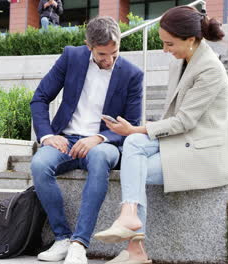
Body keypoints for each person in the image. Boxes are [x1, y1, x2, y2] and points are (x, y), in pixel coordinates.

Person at [93, 6, 228, 263]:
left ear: (190, 40)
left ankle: (134, 244)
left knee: (136, 164)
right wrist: (135, 132)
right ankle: (130, 222)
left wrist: (135, 128)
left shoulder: (211, 70)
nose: (164, 49)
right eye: (162, 42)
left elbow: (184, 121)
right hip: (182, 143)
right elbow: (173, 121)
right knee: (134, 144)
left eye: (169, 43)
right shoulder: (180, 63)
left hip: (204, 152)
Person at [30, 16, 143, 264]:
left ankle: (79, 243)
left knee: (100, 156)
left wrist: (99, 138)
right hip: (66, 139)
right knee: (39, 164)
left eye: (114, 53)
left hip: (106, 143)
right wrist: (48, 136)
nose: (109, 60)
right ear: (88, 44)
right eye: (103, 54)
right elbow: (40, 98)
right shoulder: (71, 57)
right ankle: (62, 237)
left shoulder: (133, 75)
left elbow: (132, 125)